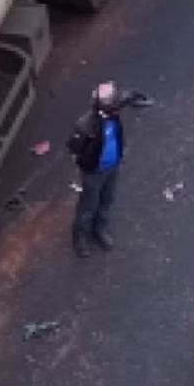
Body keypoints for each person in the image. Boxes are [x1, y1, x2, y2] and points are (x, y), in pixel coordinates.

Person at [66, 81, 148, 257]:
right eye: (111, 100)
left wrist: (136, 96)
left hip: (112, 167)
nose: (116, 103)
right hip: (94, 172)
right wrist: (86, 168)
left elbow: (125, 98)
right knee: (88, 205)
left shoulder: (112, 113)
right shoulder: (86, 125)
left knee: (107, 200)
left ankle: (99, 229)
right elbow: (74, 148)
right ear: (102, 104)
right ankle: (80, 237)